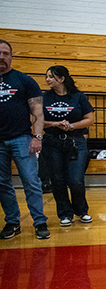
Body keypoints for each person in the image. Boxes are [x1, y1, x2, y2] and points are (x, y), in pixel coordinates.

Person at [0, 39, 49, 240]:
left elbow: (37, 110)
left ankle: (39, 221)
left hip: (22, 139)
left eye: (5, 53)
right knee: (2, 183)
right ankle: (12, 222)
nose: (1, 57)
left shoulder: (24, 80)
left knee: (31, 181)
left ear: (11, 56)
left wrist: (37, 137)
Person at [41, 66, 95, 227]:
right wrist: (54, 123)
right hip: (52, 141)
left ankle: (81, 210)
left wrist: (71, 126)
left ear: (62, 78)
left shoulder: (78, 97)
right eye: (47, 77)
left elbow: (90, 119)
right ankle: (65, 214)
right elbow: (36, 120)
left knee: (76, 180)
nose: (48, 79)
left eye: (51, 76)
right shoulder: (44, 97)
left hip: (75, 141)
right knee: (57, 180)